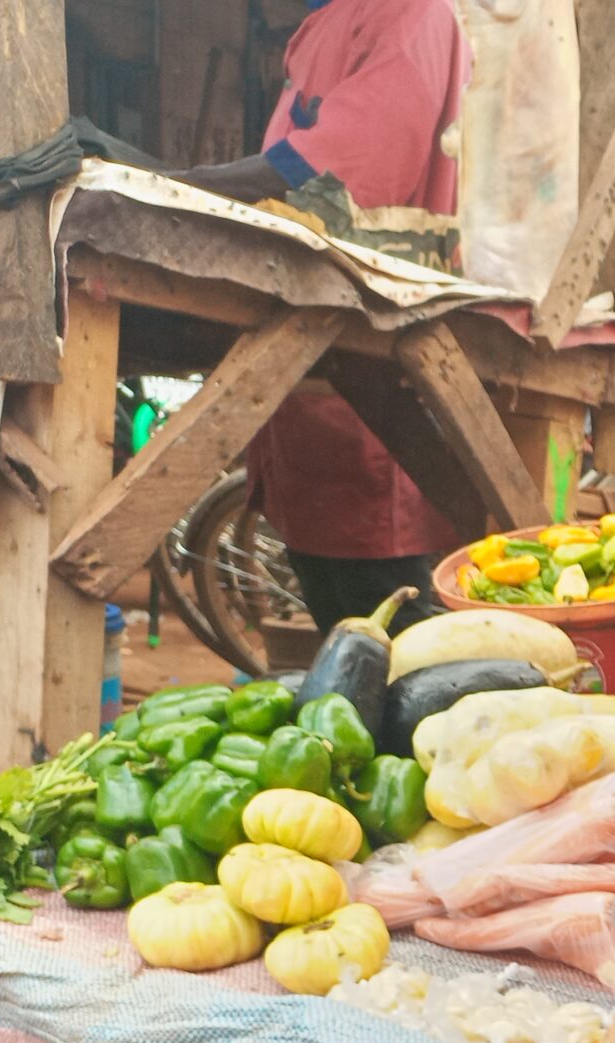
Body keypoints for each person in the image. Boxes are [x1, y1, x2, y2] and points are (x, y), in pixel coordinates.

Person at [173, 0, 471, 635]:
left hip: (373, 400)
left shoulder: (415, 15)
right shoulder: (319, 25)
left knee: (406, 660)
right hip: (307, 410)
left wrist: (185, 184)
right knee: (344, 646)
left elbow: (339, 170)